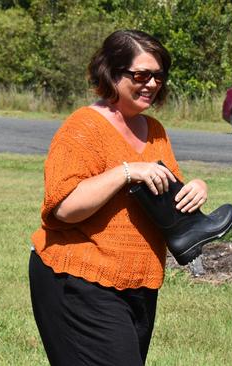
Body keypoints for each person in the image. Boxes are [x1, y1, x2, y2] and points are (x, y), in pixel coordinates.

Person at [28, 29, 209, 365]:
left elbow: (166, 197)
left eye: (157, 76)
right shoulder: (83, 127)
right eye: (140, 75)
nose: (152, 84)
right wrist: (126, 171)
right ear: (111, 72)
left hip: (138, 284)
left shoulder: (154, 131)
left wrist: (195, 187)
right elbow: (64, 207)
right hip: (79, 278)